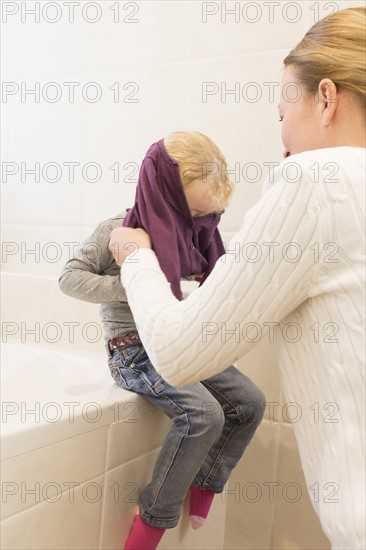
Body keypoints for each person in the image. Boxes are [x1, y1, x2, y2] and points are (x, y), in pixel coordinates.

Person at [108, 8, 366, 550]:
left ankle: (168, 510)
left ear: (325, 98)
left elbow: (178, 351)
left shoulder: (319, 179)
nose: (283, 139)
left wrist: (135, 259)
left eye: (280, 113)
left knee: (231, 403)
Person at [59, 131, 266, 550]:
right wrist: (133, 281)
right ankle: (152, 521)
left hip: (176, 339)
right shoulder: (118, 228)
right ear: (165, 195)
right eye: (192, 212)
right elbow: (68, 278)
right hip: (132, 350)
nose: (198, 225)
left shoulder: (191, 233)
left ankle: (205, 482)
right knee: (204, 415)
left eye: (207, 216)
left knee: (249, 402)